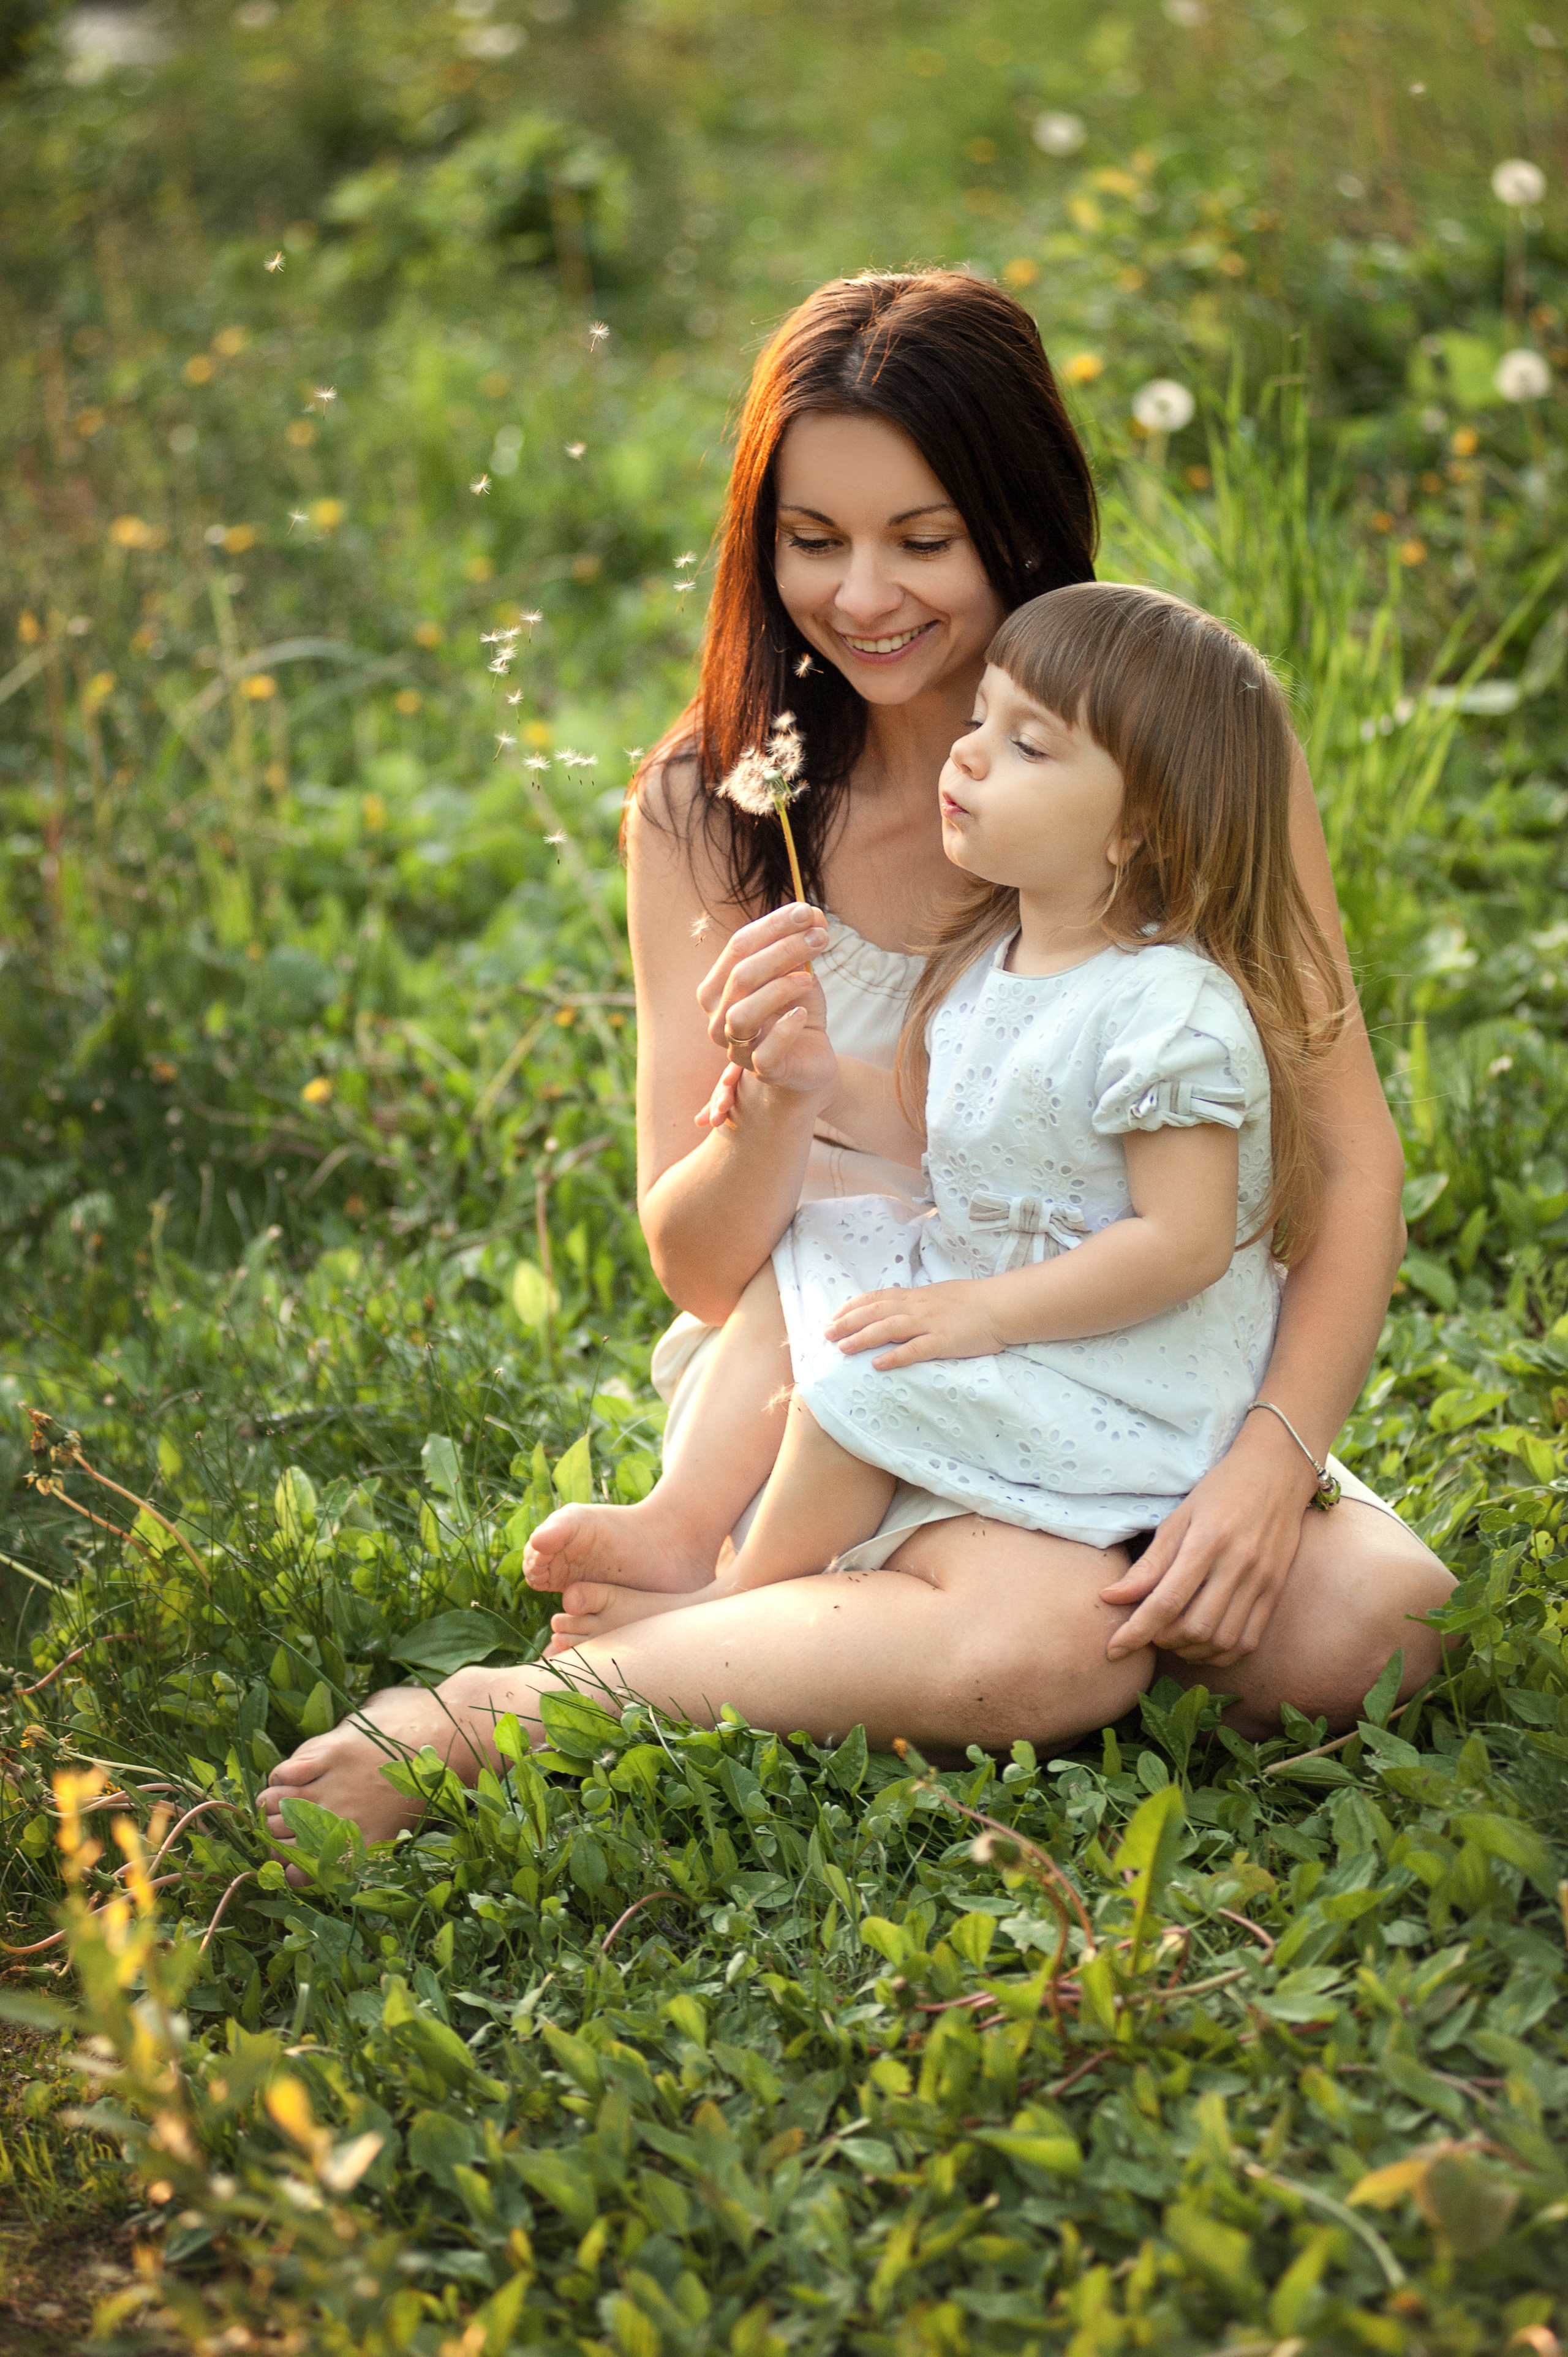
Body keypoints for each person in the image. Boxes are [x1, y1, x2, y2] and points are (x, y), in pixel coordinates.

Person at [258, 271, 1451, 1855]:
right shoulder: (710, 807)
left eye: (922, 539)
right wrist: (771, 1114)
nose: (864, 595)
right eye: (813, 540)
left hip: (1134, 1359)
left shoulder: (1184, 749)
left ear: (1020, 524)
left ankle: (850, 1642)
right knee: (1054, 1648)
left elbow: (1350, 1155)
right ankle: (511, 1716)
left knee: (1372, 1628)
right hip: (842, 1372)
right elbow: (697, 1268)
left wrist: (1267, 1462)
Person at [526, 578, 1344, 1643]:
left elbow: (1182, 1245)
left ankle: (738, 1602)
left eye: (1029, 747)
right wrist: (811, 1085)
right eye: (980, 722)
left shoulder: (1168, 1008)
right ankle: (684, 1522)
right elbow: (959, 1126)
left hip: (1122, 1362)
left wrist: (981, 1316)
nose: (967, 757)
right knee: (821, 1247)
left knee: (866, 1376)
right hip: (1008, 1300)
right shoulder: (1004, 957)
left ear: (1141, 827)